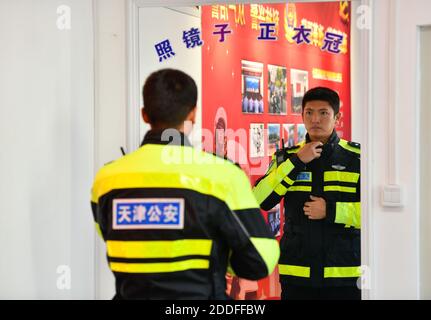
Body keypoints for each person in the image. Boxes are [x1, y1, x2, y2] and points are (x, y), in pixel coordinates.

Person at [91, 68, 279, 300]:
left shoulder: (107, 179)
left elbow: (110, 235)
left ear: (145, 115)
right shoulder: (221, 175)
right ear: (193, 115)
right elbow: (260, 260)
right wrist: (219, 255)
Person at [253, 87, 361, 300]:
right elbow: (260, 199)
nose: (316, 119)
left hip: (344, 274)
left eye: (324, 113)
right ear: (302, 116)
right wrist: (296, 162)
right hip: (297, 274)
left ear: (337, 117)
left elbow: (374, 215)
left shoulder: (356, 158)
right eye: (309, 112)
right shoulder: (287, 158)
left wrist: (330, 211)